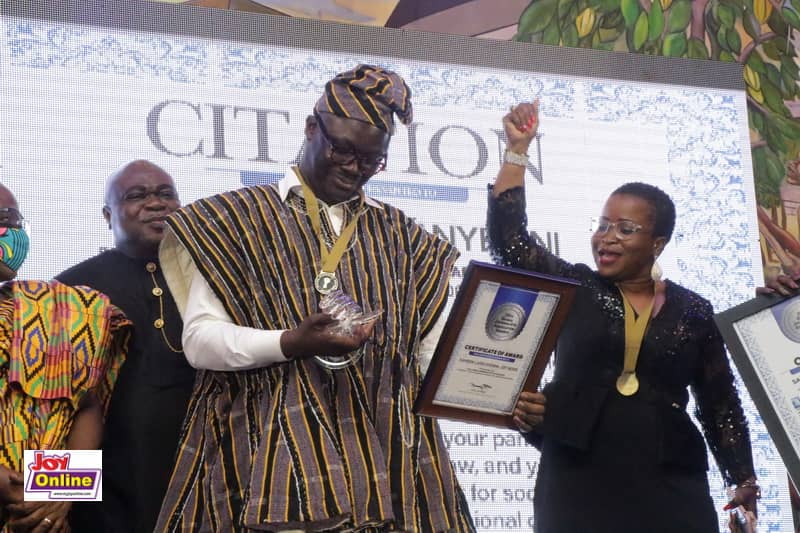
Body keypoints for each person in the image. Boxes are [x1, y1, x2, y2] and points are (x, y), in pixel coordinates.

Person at [154, 65, 475, 532]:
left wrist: (492, 392)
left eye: (371, 160)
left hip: (390, 465)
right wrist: (290, 342)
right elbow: (201, 342)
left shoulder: (406, 239)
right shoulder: (235, 218)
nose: (354, 167)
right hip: (268, 458)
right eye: (342, 149)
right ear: (310, 128)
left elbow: (427, 357)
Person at [488, 101, 760, 532]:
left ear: (658, 242)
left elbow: (719, 402)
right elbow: (511, 244)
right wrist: (517, 151)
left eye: (625, 229)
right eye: (602, 225)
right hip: (577, 475)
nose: (606, 238)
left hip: (669, 480)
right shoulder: (576, 286)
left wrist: (741, 479)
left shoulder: (693, 310)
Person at [55, 160, 195, 533]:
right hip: (109, 499)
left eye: (166, 194)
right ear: (107, 214)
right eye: (137, 196)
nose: (156, 204)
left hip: (202, 483)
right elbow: (53, 409)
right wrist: (54, 500)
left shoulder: (211, 282)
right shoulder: (70, 290)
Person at [0, 183, 130, 532]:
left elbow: (86, 406)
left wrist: (61, 492)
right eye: (0, 220)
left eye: (14, 221)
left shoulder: (61, 309)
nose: (10, 233)